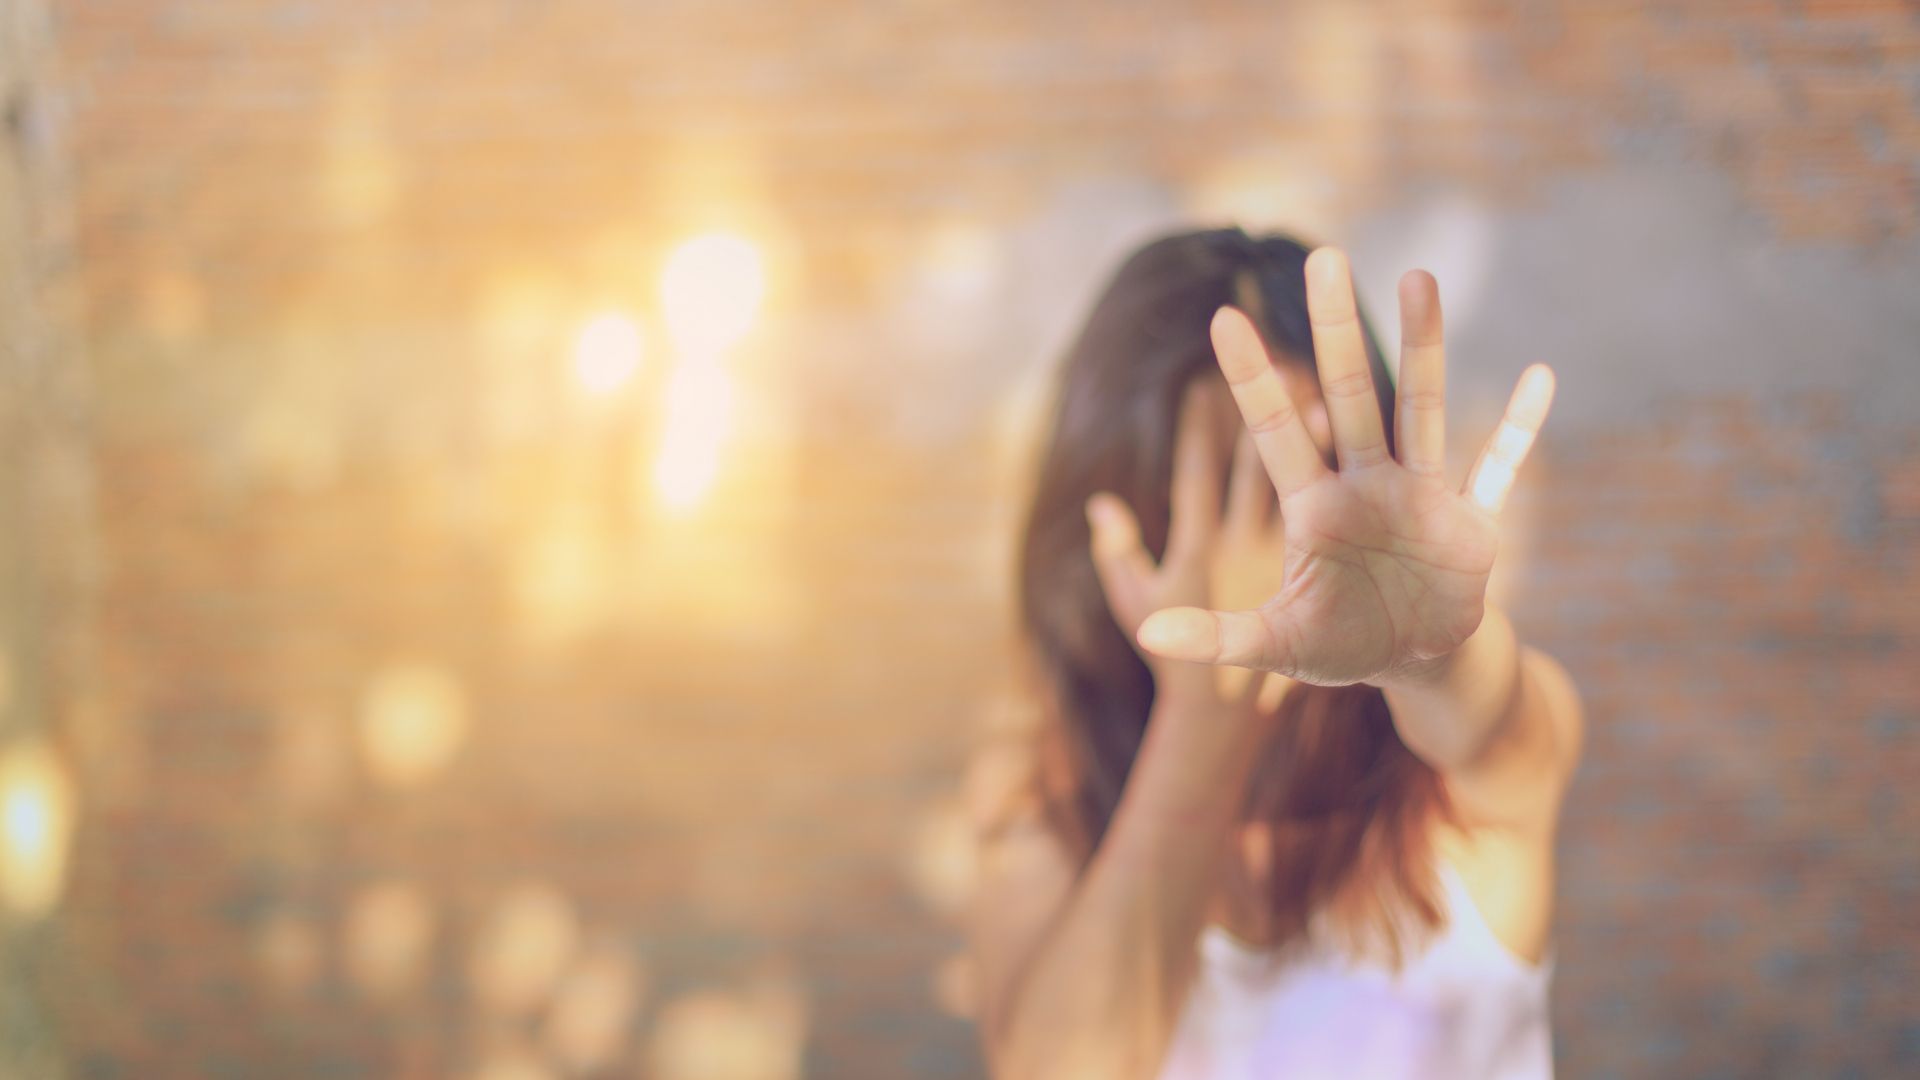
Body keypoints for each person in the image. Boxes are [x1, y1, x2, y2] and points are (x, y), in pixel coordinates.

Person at [969, 227, 1585, 1079]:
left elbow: (1489, 727)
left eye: (1305, 471)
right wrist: (1203, 704)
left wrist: (1428, 656)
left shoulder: (1447, 790)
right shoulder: (1044, 787)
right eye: (1229, 487)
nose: (1285, 546)